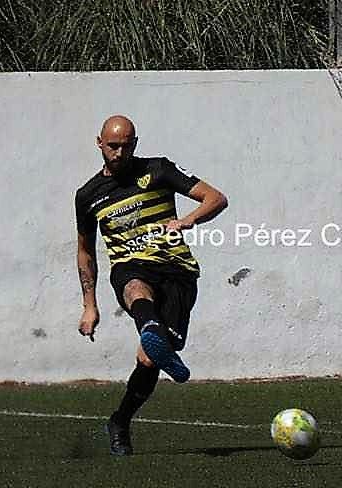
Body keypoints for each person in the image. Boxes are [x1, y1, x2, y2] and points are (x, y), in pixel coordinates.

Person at [75, 115, 228, 456]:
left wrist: (188, 220)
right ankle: (151, 327)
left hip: (177, 271)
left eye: (127, 145)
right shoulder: (88, 196)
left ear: (136, 143)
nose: (120, 152)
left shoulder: (158, 170)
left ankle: (120, 420)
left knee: (148, 360)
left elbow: (216, 198)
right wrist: (90, 305)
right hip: (131, 266)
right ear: (99, 143)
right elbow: (85, 251)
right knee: (133, 285)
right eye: (113, 145)